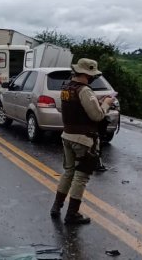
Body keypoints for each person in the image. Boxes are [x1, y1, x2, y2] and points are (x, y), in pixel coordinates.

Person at [49, 58, 114, 225]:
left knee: (68, 172)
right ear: (87, 74)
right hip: (83, 139)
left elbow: (75, 109)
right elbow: (97, 116)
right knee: (81, 177)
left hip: (67, 135)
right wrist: (105, 104)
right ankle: (72, 214)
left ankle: (56, 207)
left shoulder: (67, 88)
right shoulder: (84, 91)